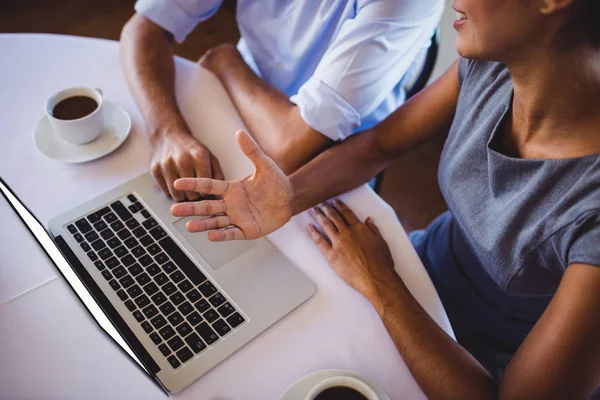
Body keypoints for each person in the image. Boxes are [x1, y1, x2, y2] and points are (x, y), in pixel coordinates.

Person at [168, 0, 600, 397]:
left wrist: (380, 282)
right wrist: (289, 194)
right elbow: (380, 145)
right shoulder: (490, 65)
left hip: (466, 357)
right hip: (416, 270)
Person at [119, 0, 442, 202]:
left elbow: (290, 148)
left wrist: (226, 62)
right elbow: (145, 27)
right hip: (237, 99)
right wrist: (166, 132)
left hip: (335, 155)